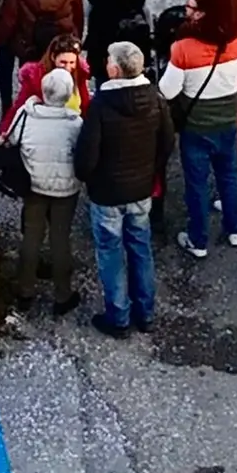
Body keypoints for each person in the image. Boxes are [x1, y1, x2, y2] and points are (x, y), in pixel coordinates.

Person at [75, 38, 173, 336]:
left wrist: (87, 177)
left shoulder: (102, 105)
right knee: (141, 248)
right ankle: (146, 313)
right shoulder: (155, 99)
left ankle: (118, 316)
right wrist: (150, 170)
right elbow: (167, 142)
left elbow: (87, 154)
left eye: (108, 60)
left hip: (107, 192)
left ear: (115, 70)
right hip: (141, 189)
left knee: (110, 252)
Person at [162, 0, 237, 255]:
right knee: (228, 176)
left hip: (196, 126)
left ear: (203, 13)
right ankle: (234, 229)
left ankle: (198, 239)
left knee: (197, 183)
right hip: (228, 120)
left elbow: (168, 90)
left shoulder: (183, 48)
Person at [7, 66, 86, 313]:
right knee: (60, 238)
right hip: (65, 188)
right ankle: (62, 295)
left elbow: (11, 140)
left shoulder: (27, 115)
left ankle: (25, 291)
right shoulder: (75, 123)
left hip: (34, 185)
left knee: (31, 236)